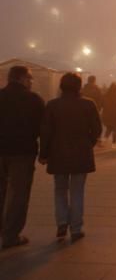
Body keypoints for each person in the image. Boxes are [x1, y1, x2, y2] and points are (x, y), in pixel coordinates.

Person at [39, 73, 101, 242]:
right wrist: (88, 143)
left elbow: (45, 132)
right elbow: (96, 130)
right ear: (79, 87)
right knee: (77, 191)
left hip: (58, 154)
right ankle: (76, 228)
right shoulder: (88, 105)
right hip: (81, 154)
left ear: (61, 86)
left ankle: (61, 223)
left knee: (59, 190)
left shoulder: (52, 105)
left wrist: (43, 154)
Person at [0, 66, 45, 249]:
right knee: (18, 194)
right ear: (22, 78)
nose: (31, 81)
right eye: (30, 78)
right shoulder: (33, 99)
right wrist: (45, 152)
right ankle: (11, 235)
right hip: (22, 152)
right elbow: (44, 127)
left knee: (1, 191)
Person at [101, 82, 116, 148]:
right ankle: (114, 144)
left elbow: (102, 104)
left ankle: (104, 140)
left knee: (109, 128)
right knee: (115, 129)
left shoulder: (105, 95)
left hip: (107, 114)